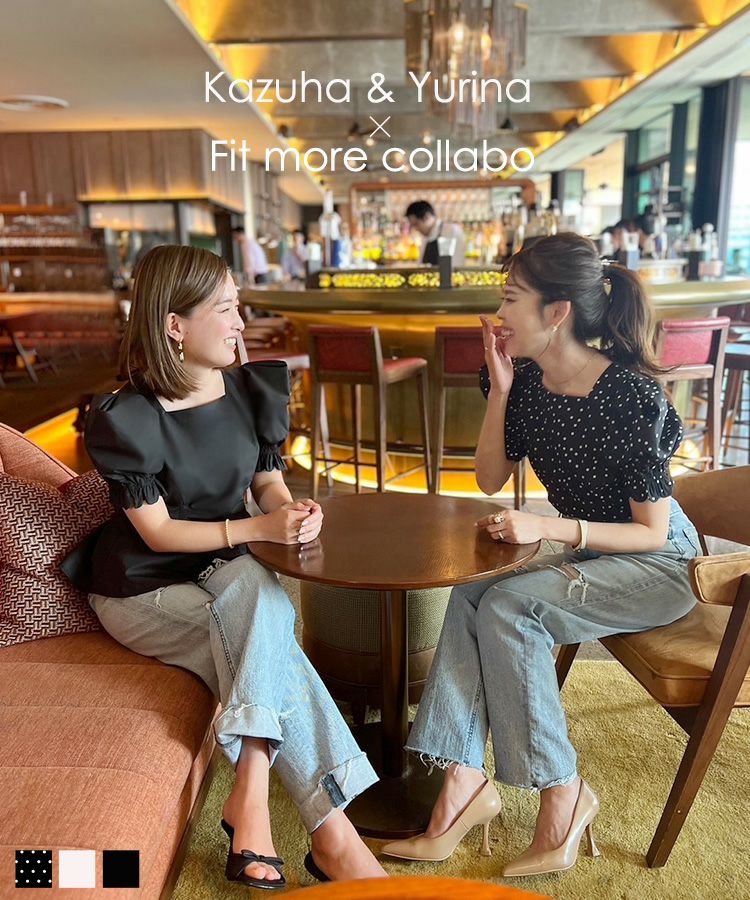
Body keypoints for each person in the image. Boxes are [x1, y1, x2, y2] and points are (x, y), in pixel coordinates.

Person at [61, 245, 386, 889]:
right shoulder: (129, 417)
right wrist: (256, 529)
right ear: (174, 325)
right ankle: (335, 841)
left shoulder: (249, 389)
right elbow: (156, 532)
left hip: (224, 572)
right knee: (269, 627)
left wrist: (289, 511)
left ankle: (255, 795)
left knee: (258, 600)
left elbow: (267, 480)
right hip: (141, 589)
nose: (241, 322)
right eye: (226, 309)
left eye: (239, 306)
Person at [381, 232, 700, 877]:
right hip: (592, 549)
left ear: (557, 312)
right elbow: (488, 478)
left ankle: (563, 791)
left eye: (510, 299)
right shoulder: (524, 380)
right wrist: (500, 391)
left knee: (510, 607)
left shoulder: (630, 398)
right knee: (475, 587)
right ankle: (463, 782)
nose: (498, 314)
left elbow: (650, 534)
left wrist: (546, 527)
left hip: (661, 566)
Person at [406, 200, 466, 267]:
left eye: (416, 224)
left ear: (427, 217)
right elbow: (421, 265)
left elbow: (451, 266)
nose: (416, 229)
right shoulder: (425, 237)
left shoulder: (449, 231)